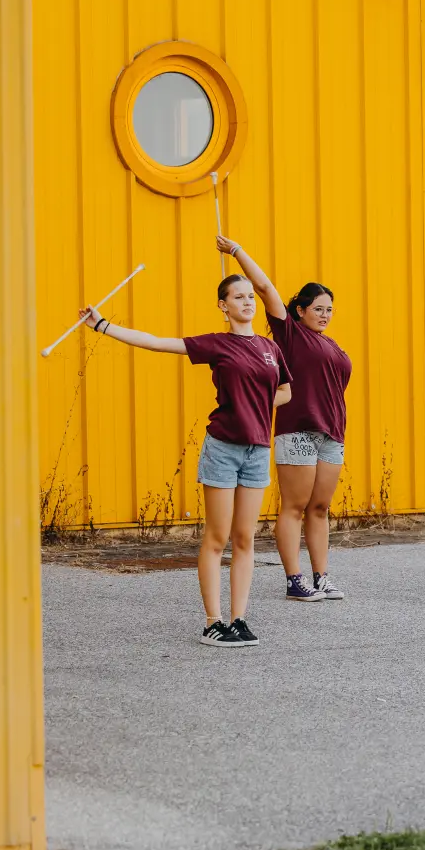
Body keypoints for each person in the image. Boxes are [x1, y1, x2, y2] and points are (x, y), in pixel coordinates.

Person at [79, 270, 292, 647]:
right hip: (223, 448)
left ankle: (239, 619)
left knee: (245, 538)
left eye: (250, 296)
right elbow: (158, 343)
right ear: (223, 306)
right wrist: (103, 325)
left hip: (258, 450)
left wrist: (258, 408)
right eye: (238, 297)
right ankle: (213, 622)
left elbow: (286, 392)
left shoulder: (269, 348)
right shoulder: (217, 344)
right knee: (217, 536)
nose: (247, 301)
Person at [220, 236, 351, 604]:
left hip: (331, 434)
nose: (325, 314)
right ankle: (295, 579)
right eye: (318, 308)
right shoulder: (289, 334)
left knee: (320, 508)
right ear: (300, 311)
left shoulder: (333, 345)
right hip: (298, 432)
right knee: (293, 506)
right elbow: (263, 288)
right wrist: (236, 251)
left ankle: (321, 577)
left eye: (329, 309)